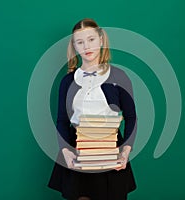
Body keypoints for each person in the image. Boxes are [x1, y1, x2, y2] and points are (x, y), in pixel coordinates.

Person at [48, 18, 137, 200]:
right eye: (80, 42)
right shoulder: (67, 81)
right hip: (77, 148)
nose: (86, 46)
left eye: (91, 39)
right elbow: (62, 121)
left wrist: (125, 151)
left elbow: (131, 117)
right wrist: (66, 152)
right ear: (74, 47)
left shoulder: (120, 77)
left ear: (101, 40)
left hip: (111, 147)